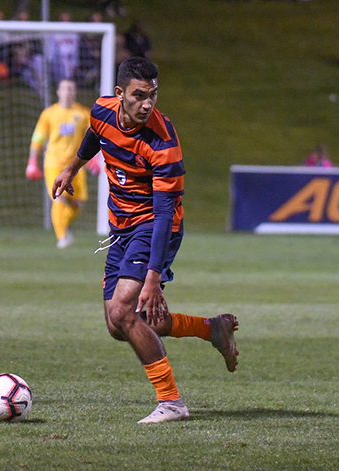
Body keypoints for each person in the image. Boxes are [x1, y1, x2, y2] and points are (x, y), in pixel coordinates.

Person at [52, 57, 240, 423]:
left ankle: (172, 402)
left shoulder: (163, 142)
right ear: (120, 94)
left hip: (155, 228)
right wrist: (71, 168)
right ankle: (211, 328)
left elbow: (165, 215)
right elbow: (94, 134)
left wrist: (153, 277)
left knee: (125, 312)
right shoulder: (102, 110)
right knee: (117, 325)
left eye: (153, 95)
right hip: (121, 227)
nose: (147, 103)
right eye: (139, 95)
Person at [26, 79, 96, 248]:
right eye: (64, 88)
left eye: (71, 88)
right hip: (54, 163)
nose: (68, 92)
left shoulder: (83, 113)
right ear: (58, 92)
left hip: (75, 165)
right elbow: (38, 138)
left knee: (77, 203)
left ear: (75, 92)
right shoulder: (49, 114)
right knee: (59, 198)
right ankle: (62, 237)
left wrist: (95, 158)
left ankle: (62, 226)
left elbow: (94, 136)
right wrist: (32, 161)